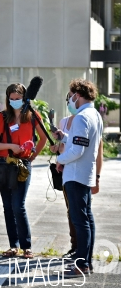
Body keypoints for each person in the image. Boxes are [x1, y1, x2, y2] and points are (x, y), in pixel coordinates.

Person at [0, 82, 47, 260]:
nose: (14, 101)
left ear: (24, 98)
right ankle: (13, 245)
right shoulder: (3, 117)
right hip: (4, 165)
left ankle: (26, 247)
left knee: (18, 205)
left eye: (18, 99)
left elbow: (43, 138)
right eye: (11, 99)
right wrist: (11, 146)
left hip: (22, 165)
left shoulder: (33, 116)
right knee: (7, 207)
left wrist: (33, 156)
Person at [54, 79, 102, 276]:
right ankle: (86, 262)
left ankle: (81, 264)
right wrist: (64, 136)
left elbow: (77, 151)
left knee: (80, 221)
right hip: (85, 174)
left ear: (78, 95)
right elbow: (80, 142)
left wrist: (60, 159)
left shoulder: (82, 117)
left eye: (71, 94)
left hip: (75, 175)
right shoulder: (95, 115)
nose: (70, 99)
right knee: (86, 220)